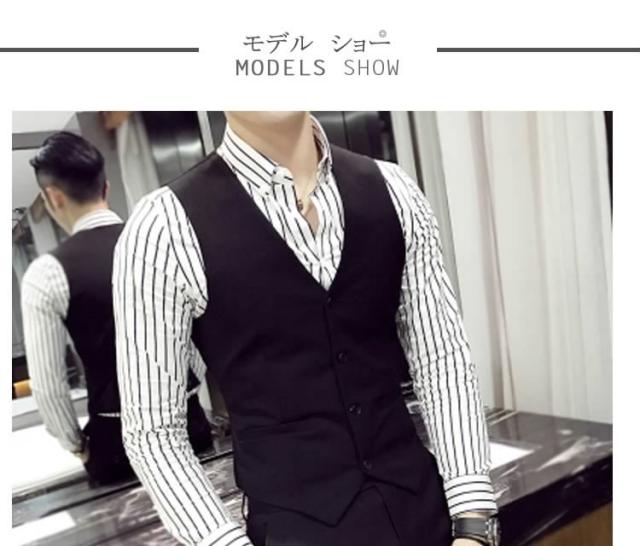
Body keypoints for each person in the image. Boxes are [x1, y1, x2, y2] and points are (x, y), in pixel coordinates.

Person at [113, 112, 500, 545]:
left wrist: (473, 520)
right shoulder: (163, 227)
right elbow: (153, 432)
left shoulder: (393, 189)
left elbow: (442, 360)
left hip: (428, 516)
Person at [21, 131, 213, 487]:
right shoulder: (159, 243)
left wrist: (78, 447)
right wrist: (189, 388)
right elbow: (197, 332)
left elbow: (48, 385)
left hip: (115, 443)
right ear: (105, 187)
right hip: (189, 423)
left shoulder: (47, 274)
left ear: (53, 197)